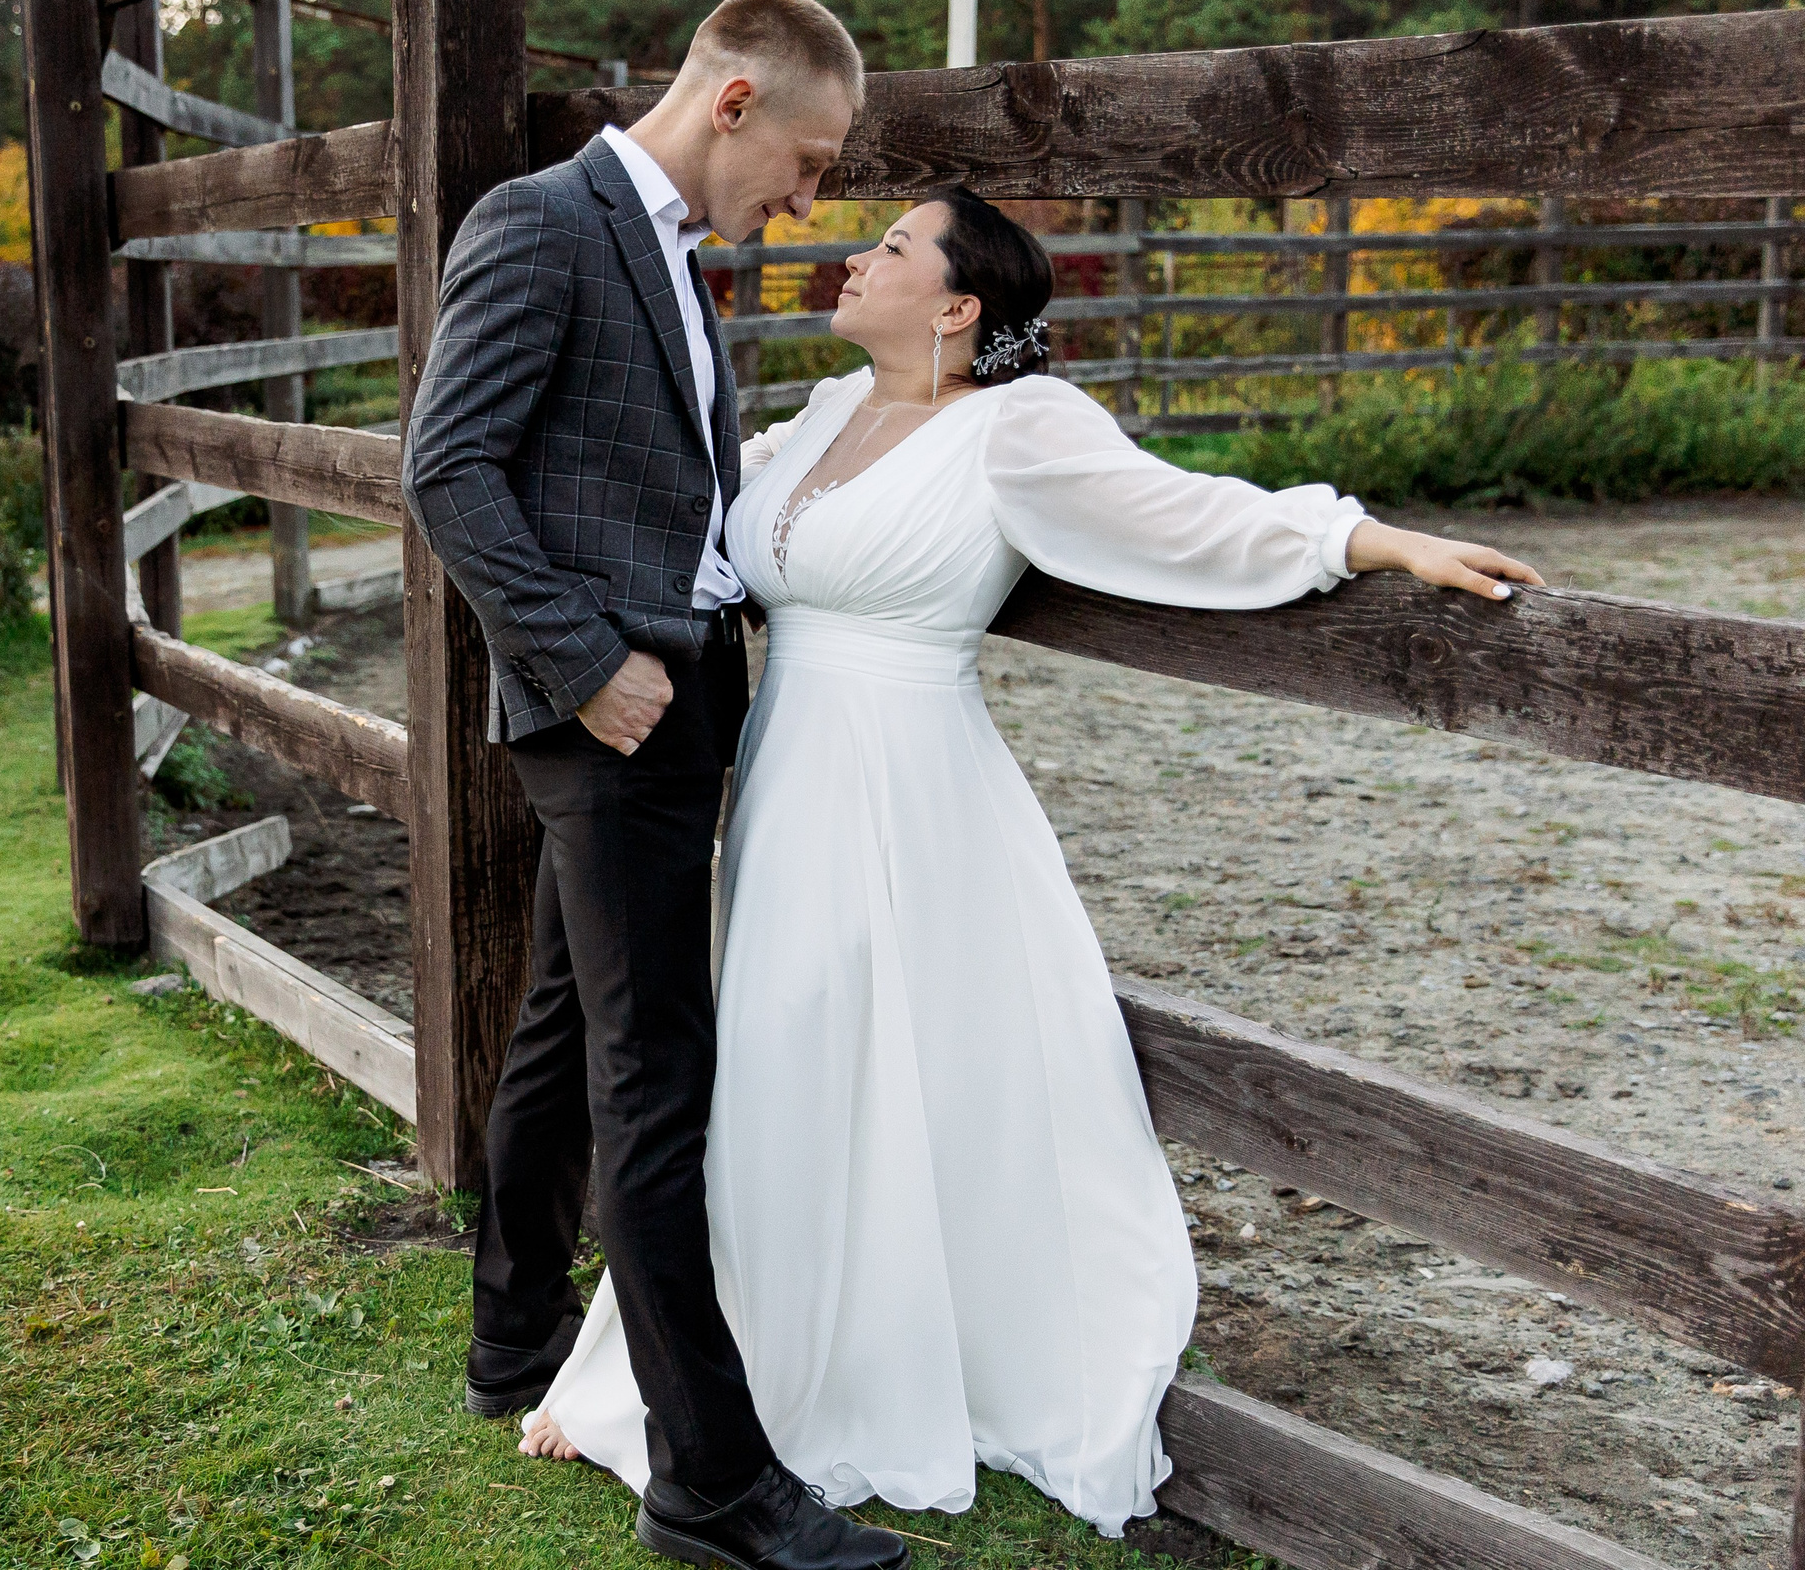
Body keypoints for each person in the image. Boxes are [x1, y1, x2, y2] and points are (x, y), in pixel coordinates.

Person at [509, 186, 1546, 1539]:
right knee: (770, 1062)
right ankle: (679, 1377)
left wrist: (1361, 537)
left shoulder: (1021, 424)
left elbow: (1180, 514)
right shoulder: (825, 413)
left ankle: (861, 1369)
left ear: (957, 305)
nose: (853, 257)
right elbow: (691, 507)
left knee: (871, 1057)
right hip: (789, 780)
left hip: (912, 783)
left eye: (888, 248)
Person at [404, 0, 915, 1570]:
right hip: (612, 705)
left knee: (568, 1025)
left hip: (679, 688)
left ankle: (509, 1341)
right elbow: (446, 467)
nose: (815, 202)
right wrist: (587, 664)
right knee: (656, 1075)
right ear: (738, 101)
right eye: (814, 160)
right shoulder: (544, 222)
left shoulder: (676, 254)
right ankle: (710, 1480)